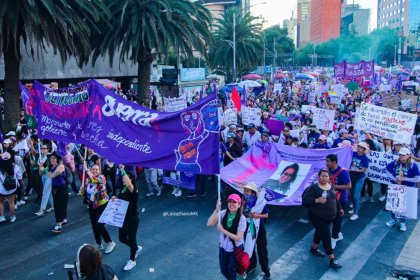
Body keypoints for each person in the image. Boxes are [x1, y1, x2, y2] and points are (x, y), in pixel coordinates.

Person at [302, 169, 343, 269]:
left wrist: (340, 208)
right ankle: (332, 259)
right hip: (317, 216)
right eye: (322, 176)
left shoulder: (330, 185)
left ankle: (314, 248)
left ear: (329, 177)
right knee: (326, 235)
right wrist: (317, 200)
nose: (324, 178)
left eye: (326, 176)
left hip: (329, 217)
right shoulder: (313, 188)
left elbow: (334, 198)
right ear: (319, 177)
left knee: (320, 232)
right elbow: (305, 201)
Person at [207, 194, 246, 280]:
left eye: (234, 202)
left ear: (239, 204)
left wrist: (223, 230)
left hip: (235, 249)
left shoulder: (242, 219)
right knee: (223, 270)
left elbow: (238, 238)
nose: (231, 204)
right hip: (223, 247)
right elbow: (209, 224)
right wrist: (216, 210)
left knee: (232, 269)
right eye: (229, 202)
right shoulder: (224, 213)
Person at [81, 163, 116, 253]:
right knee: (94, 225)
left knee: (99, 224)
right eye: (93, 169)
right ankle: (99, 244)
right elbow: (86, 193)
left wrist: (87, 170)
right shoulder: (88, 179)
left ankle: (110, 242)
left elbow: (96, 180)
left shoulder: (102, 177)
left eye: (96, 169)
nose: (95, 171)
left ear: (99, 171)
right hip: (92, 205)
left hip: (102, 204)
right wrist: (82, 190)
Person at [113, 165, 142, 271]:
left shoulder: (133, 189)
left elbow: (129, 185)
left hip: (132, 219)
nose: (123, 179)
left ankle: (132, 260)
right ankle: (135, 248)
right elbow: (120, 200)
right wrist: (114, 198)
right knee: (122, 238)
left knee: (132, 239)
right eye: (123, 177)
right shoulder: (123, 189)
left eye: (126, 177)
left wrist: (122, 170)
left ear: (131, 179)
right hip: (123, 219)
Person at [385, 147, 420, 232]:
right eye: (400, 154)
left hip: (407, 188)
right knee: (393, 204)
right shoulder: (395, 162)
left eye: (403, 155)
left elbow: (417, 179)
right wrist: (394, 179)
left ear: (408, 155)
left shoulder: (413, 165)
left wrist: (404, 179)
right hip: (395, 187)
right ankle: (393, 218)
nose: (400, 156)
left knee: (404, 207)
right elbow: (387, 170)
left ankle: (403, 222)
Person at [242, 183, 270, 280]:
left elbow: (266, 215)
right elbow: (241, 214)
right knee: (249, 247)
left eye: (248, 191)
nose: (246, 193)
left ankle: (266, 270)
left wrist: (256, 216)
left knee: (262, 249)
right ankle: (252, 265)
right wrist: (243, 204)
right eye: (245, 190)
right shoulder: (245, 201)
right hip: (248, 227)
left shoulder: (259, 201)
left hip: (259, 228)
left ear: (253, 193)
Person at [326, 154, 351, 249]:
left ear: (334, 162)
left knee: (337, 219)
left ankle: (334, 238)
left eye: (328, 161)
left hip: (341, 200)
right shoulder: (327, 170)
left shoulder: (343, 172)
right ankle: (338, 233)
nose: (326, 163)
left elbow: (349, 186)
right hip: (330, 199)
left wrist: (335, 187)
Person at [40, 152, 68, 233]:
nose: (52, 159)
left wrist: (44, 170)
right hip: (55, 188)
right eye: (51, 158)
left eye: (54, 158)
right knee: (58, 205)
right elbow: (41, 173)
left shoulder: (61, 166)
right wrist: (41, 167)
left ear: (58, 159)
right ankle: (64, 219)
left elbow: (52, 175)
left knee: (59, 206)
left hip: (62, 188)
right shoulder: (51, 167)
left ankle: (58, 224)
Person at [348, 142, 369, 221]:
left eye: (361, 148)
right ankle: (354, 208)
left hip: (359, 178)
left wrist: (352, 169)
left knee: (355, 196)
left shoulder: (365, 158)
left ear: (364, 150)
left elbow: (363, 170)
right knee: (351, 194)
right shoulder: (353, 153)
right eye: (358, 147)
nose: (359, 149)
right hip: (351, 177)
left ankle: (356, 213)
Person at [0, 152, 21, 223]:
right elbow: (19, 177)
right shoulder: (15, 166)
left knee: (0, 202)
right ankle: (12, 217)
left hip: (2, 189)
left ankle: (2, 217)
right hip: (12, 188)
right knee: (11, 203)